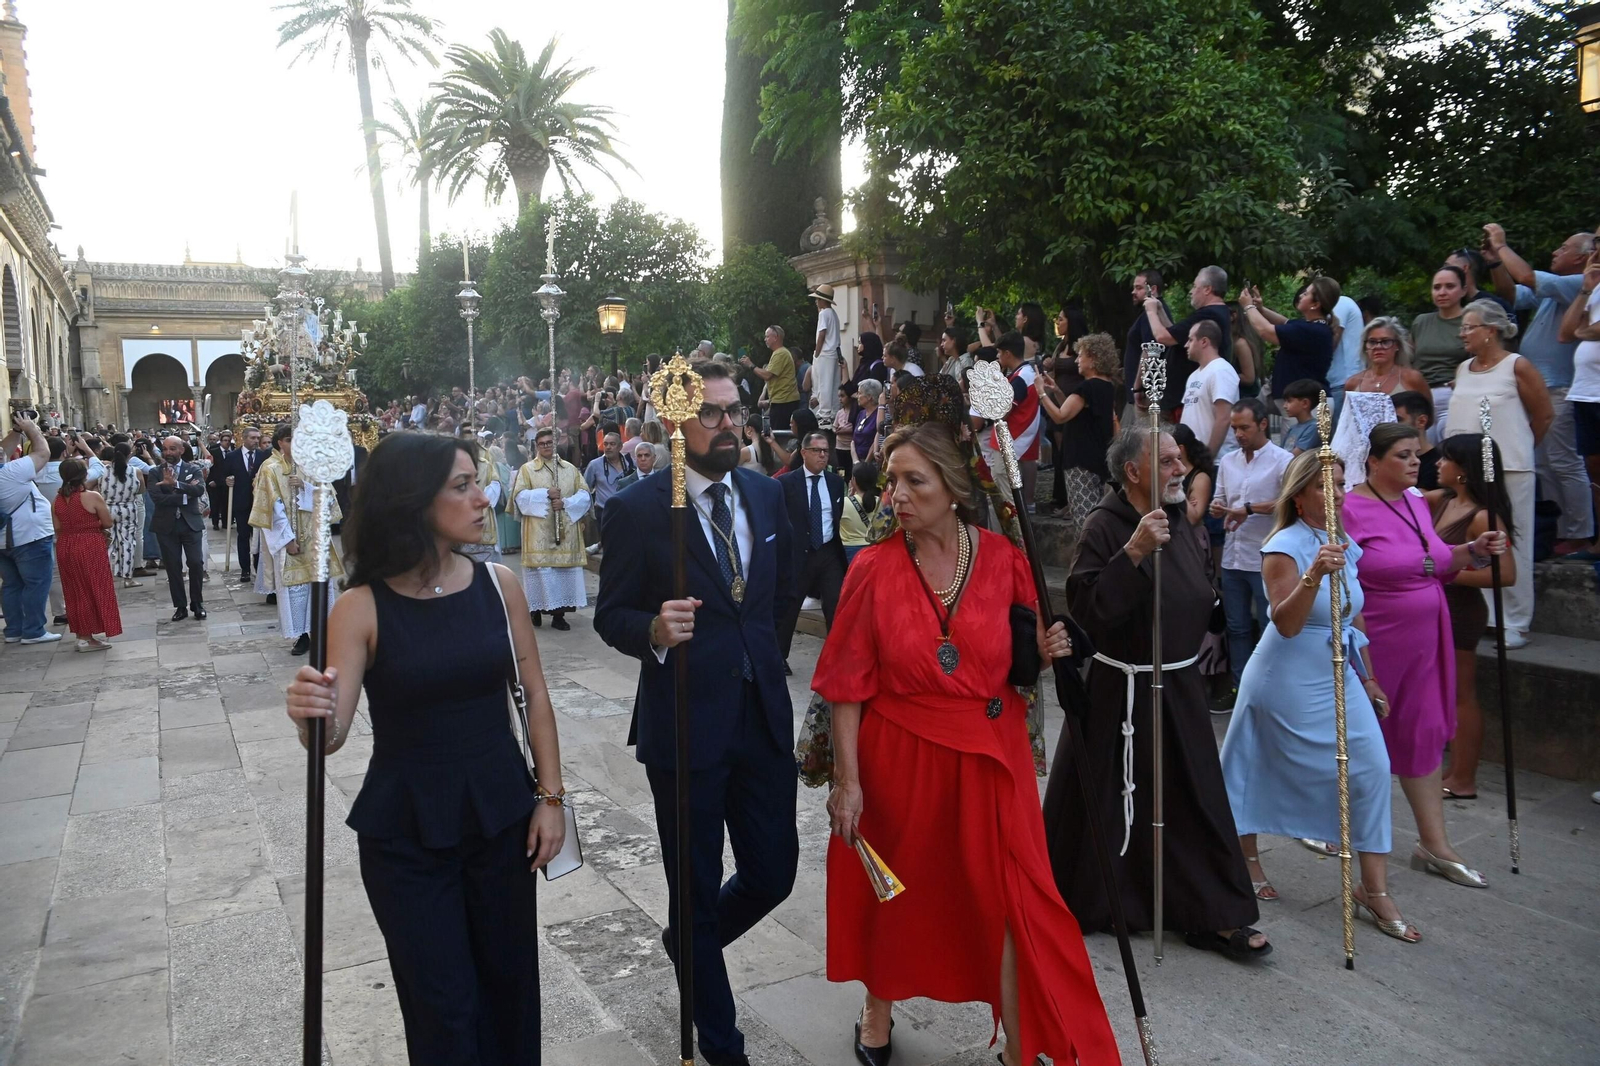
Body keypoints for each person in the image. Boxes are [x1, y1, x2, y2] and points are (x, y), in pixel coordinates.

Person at [815, 418, 1119, 1066]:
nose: (896, 493)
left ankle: (1018, 1038)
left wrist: (1043, 652)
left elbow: (1016, 663)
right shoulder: (870, 569)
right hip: (899, 754)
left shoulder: (1005, 558)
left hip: (990, 754)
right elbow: (845, 683)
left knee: (1011, 900)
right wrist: (848, 781)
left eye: (912, 480)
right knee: (895, 893)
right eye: (891, 480)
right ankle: (877, 1011)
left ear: (951, 488)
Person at [283, 432, 567, 1065]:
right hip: (407, 831)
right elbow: (331, 734)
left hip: (501, 816)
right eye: (461, 486)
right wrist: (310, 713)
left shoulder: (500, 585)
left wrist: (551, 797)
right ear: (413, 501)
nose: (480, 497)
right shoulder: (359, 608)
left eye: (477, 482)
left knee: (510, 986)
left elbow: (533, 695)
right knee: (442, 1006)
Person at [593, 362, 798, 1066]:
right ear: (675, 421)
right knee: (697, 885)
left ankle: (689, 943)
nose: (730, 425)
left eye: (734, 411)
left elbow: (777, 598)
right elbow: (609, 614)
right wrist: (653, 628)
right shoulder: (637, 508)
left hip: (762, 714)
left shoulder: (766, 499)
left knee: (774, 874)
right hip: (685, 724)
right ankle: (720, 1040)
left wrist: (755, 658)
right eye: (712, 414)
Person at [1043, 425, 1268, 960]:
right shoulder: (1105, 526)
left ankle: (1211, 912)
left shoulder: (1180, 520)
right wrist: (1135, 554)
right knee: (1111, 800)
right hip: (1123, 689)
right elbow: (1088, 607)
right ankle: (1102, 901)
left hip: (1180, 686)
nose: (1179, 469)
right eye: (1166, 460)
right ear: (1133, 472)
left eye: (1179, 460)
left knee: (1194, 801)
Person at [1218, 451, 1419, 941]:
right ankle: (1246, 860)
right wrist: (1313, 576)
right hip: (1283, 674)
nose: (1338, 495)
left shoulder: (1344, 543)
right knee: (1253, 765)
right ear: (1300, 494)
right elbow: (1285, 624)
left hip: (1337, 670)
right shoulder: (1283, 546)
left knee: (1370, 769)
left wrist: (1367, 676)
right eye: (1325, 487)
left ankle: (1372, 889)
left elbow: (1354, 613)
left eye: (1343, 485)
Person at [1343, 422, 1506, 889]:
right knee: (1364, 736)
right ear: (1373, 461)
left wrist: (1472, 550)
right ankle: (1338, 829)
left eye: (1419, 453)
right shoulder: (1350, 508)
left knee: (1424, 731)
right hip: (1378, 641)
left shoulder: (1417, 502)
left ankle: (1434, 842)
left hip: (1427, 638)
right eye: (1403, 455)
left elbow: (1436, 560)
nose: (1418, 462)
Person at [1445, 299, 1551, 648]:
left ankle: (1516, 621)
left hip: (1511, 468)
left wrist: (1516, 449)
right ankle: (1487, 615)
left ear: (1490, 331)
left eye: (1468, 327)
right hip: (1467, 472)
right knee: (1474, 542)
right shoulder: (1463, 369)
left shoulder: (1517, 366)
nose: (1462, 333)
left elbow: (1544, 415)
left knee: (1512, 542)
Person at [1487, 225, 1598, 556]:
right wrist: (1495, 262)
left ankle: (1581, 533)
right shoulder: (1558, 291)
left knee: (1565, 461)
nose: (1555, 252)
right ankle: (1562, 530)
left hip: (1562, 386)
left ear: (1581, 257)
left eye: (1562, 248)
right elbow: (1511, 293)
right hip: (1541, 387)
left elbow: (1527, 277)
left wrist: (1502, 245)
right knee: (1546, 463)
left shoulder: (1582, 283)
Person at [1430, 433, 1518, 802]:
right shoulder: (1445, 500)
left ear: (1463, 470)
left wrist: (1443, 572)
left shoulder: (1483, 516)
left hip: (1461, 610)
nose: (1437, 464)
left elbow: (1506, 574)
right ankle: (1451, 770)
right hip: (1436, 607)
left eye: (1445, 459)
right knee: (1446, 693)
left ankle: (1464, 778)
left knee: (1462, 695)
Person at [1209, 399, 1293, 705]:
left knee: (1271, 626)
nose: (1239, 434)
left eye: (1244, 427)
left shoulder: (1282, 460)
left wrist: (1248, 509)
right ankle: (1240, 688)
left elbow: (1288, 502)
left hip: (1267, 558)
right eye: (1234, 428)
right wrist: (1218, 509)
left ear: (1262, 424)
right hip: (1233, 557)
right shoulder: (1228, 461)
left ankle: (1271, 689)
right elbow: (1218, 501)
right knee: (1237, 627)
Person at [250, 422, 345, 654]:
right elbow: (272, 508)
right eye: (290, 440)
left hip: (315, 537)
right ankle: (302, 635)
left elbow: (330, 498)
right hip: (290, 538)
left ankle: (321, 632)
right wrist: (287, 540)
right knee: (295, 589)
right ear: (280, 442)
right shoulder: (270, 468)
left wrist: (305, 487)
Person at [776, 431, 845, 670]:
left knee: (835, 604)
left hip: (827, 552)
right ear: (804, 453)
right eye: (817, 451)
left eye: (826, 451)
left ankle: (839, 657)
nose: (823, 455)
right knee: (790, 605)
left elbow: (836, 518)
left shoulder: (836, 483)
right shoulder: (786, 484)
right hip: (798, 553)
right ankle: (779, 656)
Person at [1037, 332, 1120, 531]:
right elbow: (1075, 410)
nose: (1077, 361)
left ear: (1093, 359)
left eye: (1081, 355)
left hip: (1079, 461)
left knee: (1083, 519)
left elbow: (1060, 416)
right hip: (1098, 459)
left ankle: (1087, 558)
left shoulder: (1087, 387)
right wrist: (1056, 390)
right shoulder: (1107, 386)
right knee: (1096, 513)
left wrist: (1041, 392)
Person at [514, 427, 591, 631]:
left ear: (555, 444)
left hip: (564, 531)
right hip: (539, 531)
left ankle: (559, 615)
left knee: (561, 573)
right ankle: (536, 609)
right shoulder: (527, 470)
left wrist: (565, 503)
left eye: (549, 442)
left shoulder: (570, 469)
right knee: (542, 572)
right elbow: (519, 498)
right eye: (542, 444)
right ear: (536, 447)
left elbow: (585, 495)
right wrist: (544, 494)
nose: (546, 446)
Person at [50, 459, 121, 652]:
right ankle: (87, 637)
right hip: (89, 545)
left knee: (75, 591)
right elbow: (107, 522)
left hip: (65, 545)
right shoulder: (92, 496)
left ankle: (82, 635)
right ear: (84, 475)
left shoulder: (57, 501)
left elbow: (57, 527)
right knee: (95, 588)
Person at [0, 417, 60, 644]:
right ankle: (34, 630)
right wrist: (32, 430)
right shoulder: (11, 472)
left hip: (3, 541)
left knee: (12, 585)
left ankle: (14, 630)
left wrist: (16, 432)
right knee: (36, 583)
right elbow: (43, 453)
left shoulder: (8, 470)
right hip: (29, 537)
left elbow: (2, 451)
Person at [1145, 266, 1232, 419]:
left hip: (1182, 399)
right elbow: (1175, 335)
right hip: (1183, 395)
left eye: (1194, 286)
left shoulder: (1208, 314)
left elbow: (1162, 337)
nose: (1191, 291)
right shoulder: (1215, 313)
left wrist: (1151, 312)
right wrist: (1160, 310)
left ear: (1207, 289)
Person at [1559, 251, 1600, 556]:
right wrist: (1587, 287)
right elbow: (1566, 332)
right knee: (1594, 472)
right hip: (1586, 391)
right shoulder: (1594, 286)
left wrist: (1582, 331)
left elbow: (1582, 330)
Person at [1240, 276, 1339, 398]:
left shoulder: (1312, 330)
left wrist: (1248, 307)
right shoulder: (1312, 326)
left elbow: (1265, 331)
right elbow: (1285, 323)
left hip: (1306, 404)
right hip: (1300, 400)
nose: (1301, 296)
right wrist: (1260, 309)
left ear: (1315, 304)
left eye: (1306, 294)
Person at [976, 331, 1040, 510]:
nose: (997, 357)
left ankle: (1016, 537)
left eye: (998, 353)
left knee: (1008, 501)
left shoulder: (1020, 379)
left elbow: (1001, 412)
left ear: (1007, 354)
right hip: (1010, 440)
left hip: (1010, 441)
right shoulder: (1024, 374)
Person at [149, 434, 209, 623]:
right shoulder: (155, 472)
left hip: (190, 523)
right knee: (173, 566)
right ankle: (180, 606)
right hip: (166, 525)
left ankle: (197, 603)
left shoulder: (193, 469)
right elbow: (157, 498)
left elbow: (199, 490)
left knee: (196, 563)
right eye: (165, 449)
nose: (168, 453)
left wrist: (175, 485)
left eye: (172, 449)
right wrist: (184, 494)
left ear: (181, 450)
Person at [1412, 266, 1472, 426]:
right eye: (1436, 287)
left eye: (1450, 286)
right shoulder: (1421, 322)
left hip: (1453, 392)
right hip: (1419, 395)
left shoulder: (1472, 322)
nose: (1442, 292)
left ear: (1464, 290)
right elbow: (1409, 359)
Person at [218, 426, 271, 587]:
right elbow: (221, 475)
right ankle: (245, 569)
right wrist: (226, 481)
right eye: (252, 438)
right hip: (240, 502)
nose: (256, 441)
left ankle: (258, 566)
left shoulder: (264, 457)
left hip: (259, 503)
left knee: (260, 538)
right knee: (243, 536)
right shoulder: (232, 457)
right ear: (244, 438)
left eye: (257, 438)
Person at [1179, 319, 1240, 456]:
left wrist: (1208, 457)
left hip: (1216, 460)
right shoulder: (1193, 376)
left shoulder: (1220, 370)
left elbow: (1224, 418)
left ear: (1204, 341)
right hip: (1193, 460)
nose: (1185, 345)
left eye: (1190, 340)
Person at [1125, 270, 1171, 413]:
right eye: (1134, 287)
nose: (1133, 292)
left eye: (1139, 288)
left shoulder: (1152, 315)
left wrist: (1139, 387)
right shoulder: (1149, 314)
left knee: (1146, 433)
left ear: (1153, 289)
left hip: (1146, 393)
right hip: (1147, 390)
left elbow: (1150, 350)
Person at [583, 430, 635, 552]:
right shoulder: (595, 465)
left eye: (612, 444)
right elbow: (585, 488)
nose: (608, 447)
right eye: (605, 444)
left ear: (620, 446)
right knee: (611, 547)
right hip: (604, 511)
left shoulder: (630, 463)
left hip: (626, 511)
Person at [103, 443, 145, 589]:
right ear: (129, 455)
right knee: (127, 543)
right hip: (128, 509)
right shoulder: (136, 471)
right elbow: (141, 490)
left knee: (108, 543)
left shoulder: (104, 470)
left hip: (107, 509)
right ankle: (128, 578)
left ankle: (105, 577)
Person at [743, 327, 800, 431]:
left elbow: (767, 375)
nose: (765, 339)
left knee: (778, 434)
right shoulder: (779, 353)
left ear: (775, 337)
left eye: (767, 336)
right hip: (782, 400)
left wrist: (750, 365)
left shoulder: (780, 353)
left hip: (784, 402)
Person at [1392, 391, 1441, 491]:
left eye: (1397, 420)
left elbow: (1419, 501)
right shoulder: (1386, 458)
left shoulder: (1438, 463)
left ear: (1421, 421)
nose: (1390, 424)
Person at [811, 283, 843, 424]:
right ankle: (834, 411)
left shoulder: (824, 314)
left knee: (823, 384)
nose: (816, 301)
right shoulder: (833, 314)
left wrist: (817, 353)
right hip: (835, 352)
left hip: (826, 353)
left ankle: (824, 414)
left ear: (823, 300)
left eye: (818, 299)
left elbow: (822, 334)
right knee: (833, 383)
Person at [840, 460, 878, 566]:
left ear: (854, 480)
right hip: (875, 550)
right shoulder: (882, 503)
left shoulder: (844, 503)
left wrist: (849, 496)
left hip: (850, 554)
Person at [1277, 379, 1323, 455]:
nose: (1284, 406)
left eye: (1289, 401)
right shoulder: (1293, 428)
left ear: (1305, 403)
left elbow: (1295, 455)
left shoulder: (1314, 427)